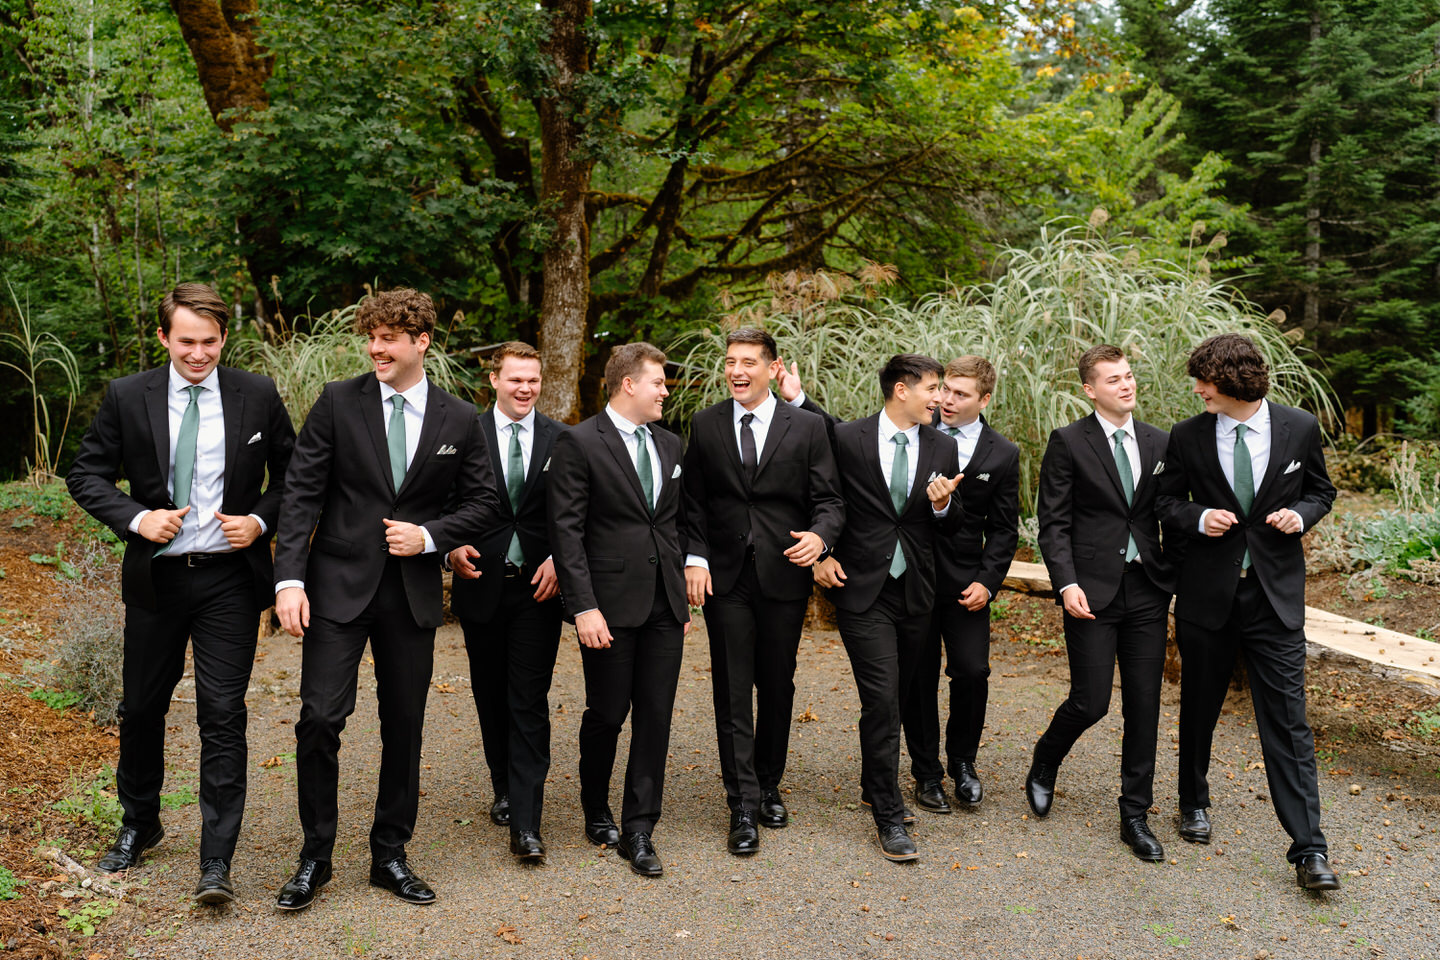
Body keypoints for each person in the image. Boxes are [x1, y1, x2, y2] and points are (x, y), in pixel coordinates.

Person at [271, 289, 501, 910]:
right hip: (336, 588)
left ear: (421, 342)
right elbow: (301, 495)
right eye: (370, 337)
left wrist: (430, 536)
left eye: (389, 338)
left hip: (412, 596)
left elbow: (483, 503)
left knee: (406, 725)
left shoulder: (459, 418)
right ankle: (314, 857)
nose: (376, 348)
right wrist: (288, 579)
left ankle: (389, 855)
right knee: (319, 718)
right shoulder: (338, 403)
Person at [66, 282, 295, 904]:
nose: (199, 353)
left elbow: (295, 473)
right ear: (164, 337)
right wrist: (138, 519)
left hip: (228, 578)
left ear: (224, 339)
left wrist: (261, 521)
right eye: (187, 341)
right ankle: (140, 824)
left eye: (211, 342)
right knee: (142, 707)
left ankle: (215, 860)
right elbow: (84, 473)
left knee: (222, 716)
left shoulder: (257, 393)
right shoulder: (125, 396)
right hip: (157, 577)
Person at [1156, 332, 1339, 891]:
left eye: (1204, 381)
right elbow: (1165, 502)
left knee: (1288, 720)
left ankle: (1310, 849)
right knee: (1200, 706)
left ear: (1232, 381)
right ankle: (1193, 802)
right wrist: (1197, 518)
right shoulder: (1187, 436)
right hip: (1207, 597)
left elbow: (1321, 491)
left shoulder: (1299, 427)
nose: (1197, 390)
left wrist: (1300, 516)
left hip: (1274, 600)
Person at [680, 328, 844, 855]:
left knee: (778, 685)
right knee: (731, 689)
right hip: (725, 578)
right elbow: (693, 503)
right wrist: (696, 558)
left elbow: (831, 501)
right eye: (730, 362)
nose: (737, 371)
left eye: (749, 361)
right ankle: (742, 805)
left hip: (783, 575)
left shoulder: (809, 427)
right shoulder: (704, 425)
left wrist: (820, 537)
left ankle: (770, 782)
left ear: (774, 368)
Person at [807, 354, 962, 863]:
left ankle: (875, 784)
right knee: (881, 699)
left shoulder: (943, 444)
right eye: (934, 388)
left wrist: (942, 504)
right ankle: (889, 817)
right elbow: (825, 499)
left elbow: (950, 522)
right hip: (861, 588)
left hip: (916, 590)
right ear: (902, 389)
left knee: (905, 690)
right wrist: (822, 555)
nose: (940, 398)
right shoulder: (848, 438)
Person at [547, 342, 689, 878]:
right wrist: (583, 607)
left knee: (655, 715)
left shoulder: (671, 444)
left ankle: (639, 828)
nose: (665, 391)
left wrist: (682, 580)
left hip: (664, 605)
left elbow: (673, 522)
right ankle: (594, 806)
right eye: (658, 382)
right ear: (629, 384)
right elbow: (567, 531)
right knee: (608, 712)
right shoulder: (579, 442)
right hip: (606, 605)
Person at [1029, 344, 1176, 862]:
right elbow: (1055, 522)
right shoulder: (1069, 441)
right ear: (1090, 389)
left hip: (1148, 589)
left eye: (1130, 376)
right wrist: (1066, 583)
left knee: (1144, 705)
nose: (1126, 385)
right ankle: (1046, 757)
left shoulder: (1162, 441)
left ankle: (1134, 813)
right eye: (1114, 380)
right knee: (1092, 701)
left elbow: (1171, 512)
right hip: (1090, 590)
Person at [447, 342, 566, 863]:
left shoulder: (563, 439)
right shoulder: (462, 433)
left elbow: (577, 511)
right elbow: (441, 502)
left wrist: (563, 558)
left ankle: (527, 821)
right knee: (491, 696)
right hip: (481, 584)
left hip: (539, 590)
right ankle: (503, 784)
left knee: (528, 701)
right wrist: (448, 548)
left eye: (533, 380)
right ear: (493, 379)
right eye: (515, 379)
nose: (525, 389)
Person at [901, 355, 1019, 814]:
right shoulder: (915, 429)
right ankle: (926, 771)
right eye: (945, 389)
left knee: (972, 672)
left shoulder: (1002, 453)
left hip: (966, 583)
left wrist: (988, 582)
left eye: (960, 394)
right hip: (912, 577)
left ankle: (963, 762)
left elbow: (1005, 528)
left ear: (984, 399)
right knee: (918, 676)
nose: (946, 401)